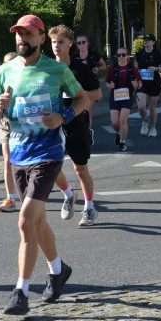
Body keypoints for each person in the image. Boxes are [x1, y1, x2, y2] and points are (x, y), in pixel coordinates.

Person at [0, 14, 88, 316]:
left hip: (48, 153)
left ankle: (21, 291)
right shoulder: (5, 71)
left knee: (25, 220)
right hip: (18, 155)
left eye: (29, 34)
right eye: (19, 34)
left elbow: (82, 98)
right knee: (38, 222)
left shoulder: (57, 70)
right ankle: (58, 270)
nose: (22, 39)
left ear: (41, 38)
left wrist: (63, 116)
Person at [49, 25, 102, 227]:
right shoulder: (46, 68)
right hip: (52, 123)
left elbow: (97, 94)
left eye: (61, 42)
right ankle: (69, 194)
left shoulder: (80, 68)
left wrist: (79, 96)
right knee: (49, 166)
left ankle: (89, 207)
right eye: (54, 42)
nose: (56, 45)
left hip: (75, 122)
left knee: (80, 169)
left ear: (70, 43)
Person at [0, 52, 20, 212]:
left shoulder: (26, 79)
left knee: (36, 162)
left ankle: (67, 192)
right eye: (5, 64)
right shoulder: (0, 80)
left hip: (24, 124)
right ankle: (10, 199)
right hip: (6, 122)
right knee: (8, 161)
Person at [106, 46, 140, 151]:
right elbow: (107, 82)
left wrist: (137, 84)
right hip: (115, 96)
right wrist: (109, 85)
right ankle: (118, 133)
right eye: (119, 55)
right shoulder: (113, 68)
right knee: (114, 122)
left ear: (127, 56)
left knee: (123, 120)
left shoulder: (132, 68)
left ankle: (122, 142)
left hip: (127, 96)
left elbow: (139, 82)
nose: (121, 57)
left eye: (123, 55)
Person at [135, 34, 161, 137]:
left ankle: (152, 127)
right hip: (142, 83)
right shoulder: (139, 54)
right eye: (145, 40)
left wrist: (156, 69)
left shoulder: (157, 54)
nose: (146, 41)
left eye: (148, 40)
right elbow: (135, 67)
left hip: (154, 82)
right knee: (141, 107)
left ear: (153, 42)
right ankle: (145, 121)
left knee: (152, 107)